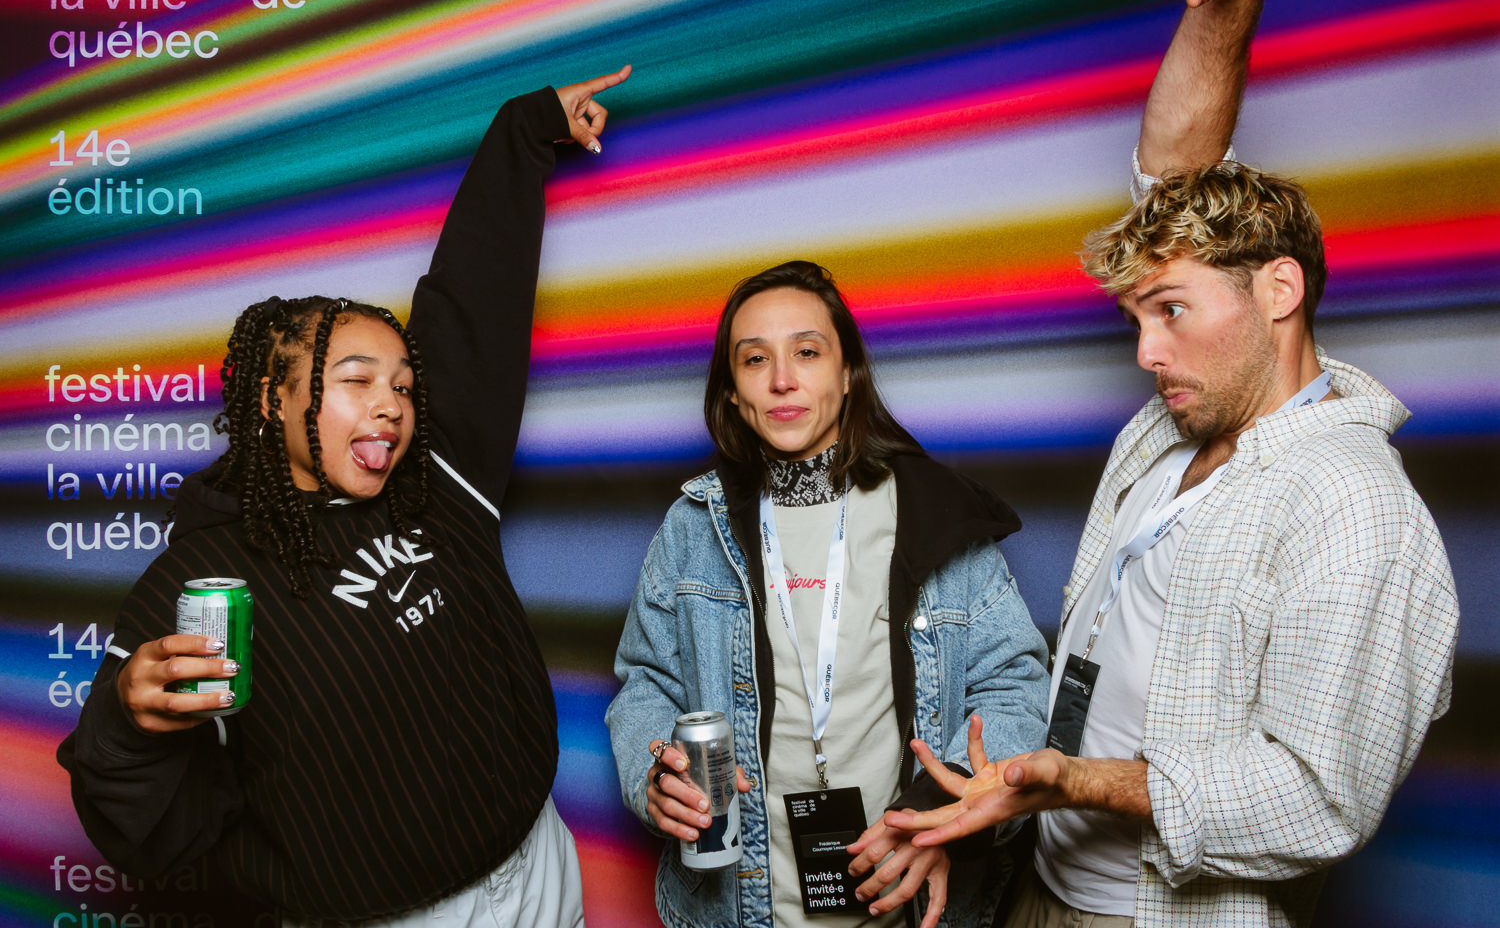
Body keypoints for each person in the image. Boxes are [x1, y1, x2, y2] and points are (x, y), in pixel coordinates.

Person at [56, 65, 633, 927]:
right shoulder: (203, 580)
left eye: (402, 385)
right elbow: (148, 828)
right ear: (272, 399)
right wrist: (127, 725)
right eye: (356, 379)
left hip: (537, 868)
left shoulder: (434, 485)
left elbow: (473, 307)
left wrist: (524, 134)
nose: (391, 404)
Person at [885, 163, 1461, 927]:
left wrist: (1083, 782)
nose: (1146, 353)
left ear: (1279, 290)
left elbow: (1321, 800)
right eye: (1137, 321)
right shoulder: (1161, 435)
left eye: (1172, 310)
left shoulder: (1353, 504)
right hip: (1044, 880)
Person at [605, 259, 1051, 928]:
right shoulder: (694, 529)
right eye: (755, 359)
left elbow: (1014, 685)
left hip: (914, 906)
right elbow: (646, 685)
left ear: (847, 375)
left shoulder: (932, 514)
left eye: (807, 352)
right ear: (733, 393)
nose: (782, 379)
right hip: (740, 909)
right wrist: (655, 777)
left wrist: (945, 812)